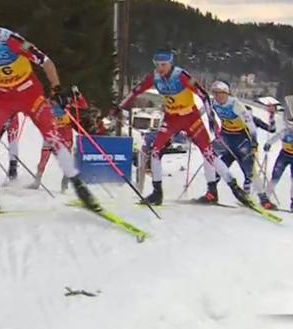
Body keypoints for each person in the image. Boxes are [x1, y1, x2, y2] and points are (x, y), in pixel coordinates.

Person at [0, 4, 99, 213]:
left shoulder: (11, 41)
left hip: (30, 94)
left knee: (53, 138)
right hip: (4, 97)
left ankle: (80, 189)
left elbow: (46, 62)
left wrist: (56, 89)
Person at [118, 50, 250, 206]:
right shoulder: (155, 77)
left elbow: (203, 95)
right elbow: (136, 90)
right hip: (172, 118)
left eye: (164, 65)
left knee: (208, 153)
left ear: (171, 63)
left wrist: (211, 118)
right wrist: (119, 107)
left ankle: (231, 188)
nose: (161, 68)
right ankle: (157, 192)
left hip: (190, 118)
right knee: (155, 151)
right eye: (158, 65)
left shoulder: (181, 76)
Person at [208, 81, 274, 208]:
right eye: (215, 94)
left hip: (241, 140)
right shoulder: (214, 103)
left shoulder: (236, 105)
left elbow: (252, 127)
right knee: (218, 164)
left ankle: (264, 200)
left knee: (249, 171)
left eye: (220, 94)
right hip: (226, 138)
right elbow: (208, 113)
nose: (217, 97)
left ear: (226, 93)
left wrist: (254, 144)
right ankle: (211, 192)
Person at [34, 85, 89, 191]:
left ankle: (65, 183)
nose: (55, 94)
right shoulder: (47, 102)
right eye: (53, 91)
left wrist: (78, 95)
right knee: (44, 157)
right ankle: (37, 180)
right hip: (52, 131)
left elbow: (84, 105)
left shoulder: (66, 100)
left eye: (57, 91)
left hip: (65, 132)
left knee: (66, 158)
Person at [263, 120, 293, 211]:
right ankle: (265, 199)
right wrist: (268, 144)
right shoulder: (285, 132)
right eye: (290, 126)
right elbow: (274, 138)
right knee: (275, 176)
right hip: (284, 155)